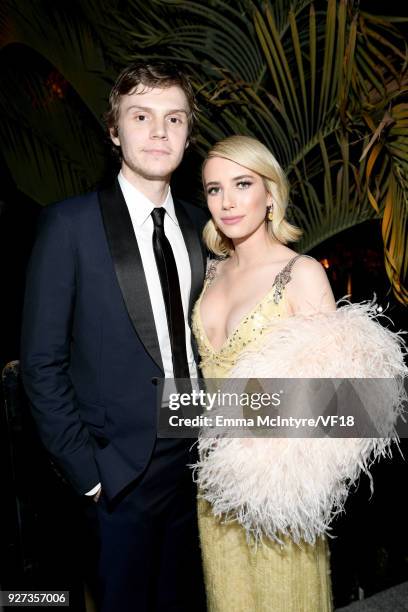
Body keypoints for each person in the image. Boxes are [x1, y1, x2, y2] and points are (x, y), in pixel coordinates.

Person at [191, 135, 407, 611]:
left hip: (279, 489)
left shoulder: (301, 272)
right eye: (213, 189)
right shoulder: (209, 273)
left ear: (270, 194)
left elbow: (348, 402)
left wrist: (270, 457)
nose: (226, 201)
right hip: (214, 490)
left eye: (242, 184)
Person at [20, 62, 207, 612]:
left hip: (197, 458)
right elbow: (41, 363)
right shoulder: (69, 225)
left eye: (174, 118)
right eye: (141, 116)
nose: (158, 131)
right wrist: (89, 476)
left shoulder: (203, 225)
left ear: (188, 135)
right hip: (118, 472)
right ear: (113, 130)